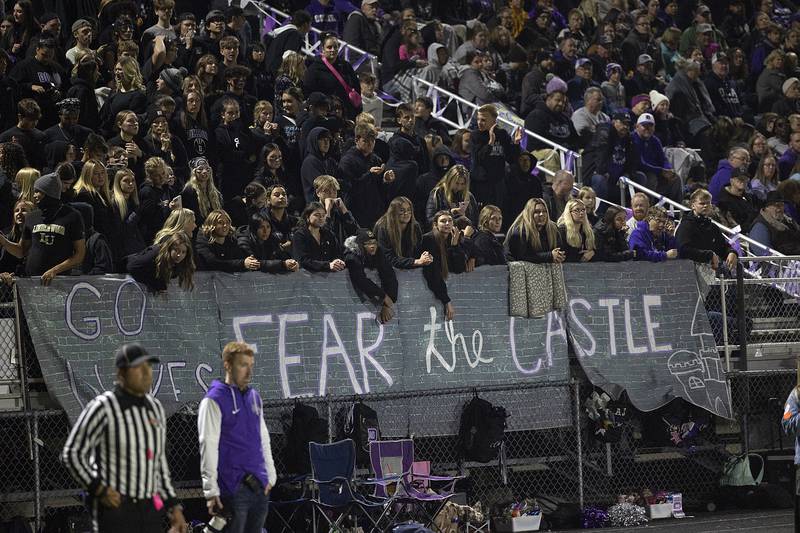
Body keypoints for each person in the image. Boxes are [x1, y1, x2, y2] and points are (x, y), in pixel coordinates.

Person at [62, 342, 188, 533]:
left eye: (149, 367)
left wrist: (173, 507)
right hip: (116, 507)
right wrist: (98, 488)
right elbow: (72, 453)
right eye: (138, 367)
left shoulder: (154, 408)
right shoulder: (104, 407)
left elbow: (159, 463)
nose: (146, 373)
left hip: (149, 506)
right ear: (121, 373)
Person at [198, 341, 277, 533]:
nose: (249, 372)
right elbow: (208, 445)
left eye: (251, 366)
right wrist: (211, 491)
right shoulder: (213, 400)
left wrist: (270, 477)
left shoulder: (254, 397)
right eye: (243, 365)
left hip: (259, 485)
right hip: (233, 487)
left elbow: (263, 438)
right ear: (227, 365)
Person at [0, 172, 84, 283]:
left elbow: (79, 255)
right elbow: (21, 251)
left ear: (49, 192)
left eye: (37, 191)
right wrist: (3, 241)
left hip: (60, 282)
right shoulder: (31, 217)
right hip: (32, 283)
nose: (34, 196)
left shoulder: (72, 216)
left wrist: (55, 270)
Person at [418, 210, 469, 321]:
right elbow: (433, 273)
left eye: (450, 221)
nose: (447, 224)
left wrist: (455, 246)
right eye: (443, 221)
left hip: (442, 289)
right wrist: (446, 301)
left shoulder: (453, 238)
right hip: (429, 291)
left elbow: (459, 268)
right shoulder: (429, 239)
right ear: (435, 224)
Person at [470, 103, 522, 207]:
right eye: (478, 119)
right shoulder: (475, 135)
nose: (479, 122)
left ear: (494, 120)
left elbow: (511, 159)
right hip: (481, 184)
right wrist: (490, 143)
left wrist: (516, 143)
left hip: (498, 184)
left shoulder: (502, 134)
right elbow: (478, 159)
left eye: (483, 120)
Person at [676, 188, 738, 272]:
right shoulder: (686, 225)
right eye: (702, 203)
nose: (705, 206)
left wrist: (732, 252)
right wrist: (709, 255)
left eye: (708, 203)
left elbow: (722, 247)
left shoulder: (712, 227)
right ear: (693, 205)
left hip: (709, 274)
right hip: (688, 274)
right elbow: (683, 250)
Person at [344, 229, 398, 323]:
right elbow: (361, 280)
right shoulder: (352, 256)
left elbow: (389, 274)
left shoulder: (378, 251)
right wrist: (383, 296)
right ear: (360, 244)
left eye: (374, 243)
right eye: (368, 243)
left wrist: (387, 303)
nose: (372, 246)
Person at [373, 196, 432, 269]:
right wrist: (416, 262)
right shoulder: (383, 228)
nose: (406, 213)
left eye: (409, 210)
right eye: (402, 210)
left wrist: (425, 256)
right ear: (393, 212)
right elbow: (388, 258)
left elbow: (418, 250)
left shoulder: (415, 226)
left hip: (407, 267)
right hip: (385, 268)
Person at [127, 231, 194, 292]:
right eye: (176, 250)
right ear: (170, 248)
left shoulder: (179, 263)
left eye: (183, 252)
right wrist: (155, 285)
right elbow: (132, 266)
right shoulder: (155, 253)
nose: (179, 255)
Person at [505, 197, 565, 263]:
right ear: (529, 213)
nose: (542, 214)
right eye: (537, 212)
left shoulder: (553, 228)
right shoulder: (520, 232)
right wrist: (550, 255)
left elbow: (559, 249)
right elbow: (521, 256)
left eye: (545, 211)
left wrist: (559, 255)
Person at [292, 201, 345, 273]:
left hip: (329, 277)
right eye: (317, 215)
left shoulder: (329, 234)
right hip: (306, 277)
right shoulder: (299, 235)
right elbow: (303, 261)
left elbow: (337, 253)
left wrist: (337, 260)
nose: (321, 218)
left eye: (323, 215)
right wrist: (328, 265)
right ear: (308, 217)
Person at [750, 191, 800, 256]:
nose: (780, 209)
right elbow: (766, 256)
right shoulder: (760, 227)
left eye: (782, 205)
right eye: (777, 206)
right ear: (767, 207)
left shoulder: (788, 220)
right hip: (784, 263)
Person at [557, 198, 596, 262]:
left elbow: (597, 251)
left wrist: (592, 253)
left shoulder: (587, 230)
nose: (581, 213)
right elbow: (563, 256)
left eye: (583, 210)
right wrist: (581, 256)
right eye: (577, 210)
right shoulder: (562, 230)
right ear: (569, 213)